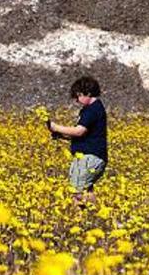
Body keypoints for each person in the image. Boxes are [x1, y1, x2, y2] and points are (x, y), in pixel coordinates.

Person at [46, 76, 108, 206]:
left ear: (88, 93)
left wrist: (55, 127)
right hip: (92, 156)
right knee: (85, 189)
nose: (76, 100)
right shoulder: (94, 109)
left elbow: (79, 131)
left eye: (78, 96)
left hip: (89, 157)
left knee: (78, 191)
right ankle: (87, 218)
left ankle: (87, 216)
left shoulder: (92, 110)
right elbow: (84, 135)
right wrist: (62, 136)